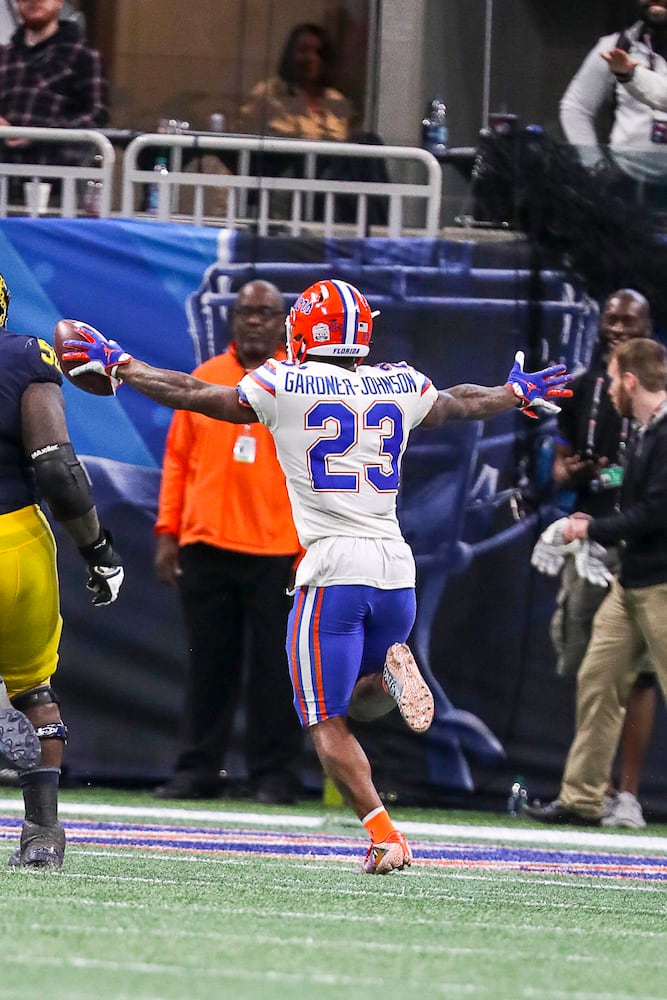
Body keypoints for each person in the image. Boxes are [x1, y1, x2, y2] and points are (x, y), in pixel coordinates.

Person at [62, 278, 572, 873]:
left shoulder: (283, 382)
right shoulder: (399, 381)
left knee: (324, 724)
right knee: (355, 700)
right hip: (396, 570)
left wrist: (122, 365)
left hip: (333, 567)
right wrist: (514, 392)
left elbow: (197, 393)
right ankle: (386, 679)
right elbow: (459, 402)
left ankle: (384, 834)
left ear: (304, 328)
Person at [153, 280, 304, 804]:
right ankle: (197, 771)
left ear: (285, 321)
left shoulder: (299, 385)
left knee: (275, 673)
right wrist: (167, 532)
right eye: (246, 312)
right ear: (233, 318)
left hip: (280, 551)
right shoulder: (206, 380)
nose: (254, 321)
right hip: (207, 543)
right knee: (207, 666)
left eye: (265, 313)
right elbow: (177, 461)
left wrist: (308, 552)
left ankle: (275, 776)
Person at [0, 270, 123, 869]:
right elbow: (57, 469)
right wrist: (98, 550)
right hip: (17, 541)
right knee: (35, 691)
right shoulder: (25, 357)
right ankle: (42, 834)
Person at [526, 337, 667, 826]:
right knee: (597, 676)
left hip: (662, 586)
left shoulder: (664, 432)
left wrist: (589, 529)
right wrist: (593, 531)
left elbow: (655, 512)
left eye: (610, 380)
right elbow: (636, 505)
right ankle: (583, 796)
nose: (605, 391)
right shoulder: (646, 430)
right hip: (632, 582)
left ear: (630, 380)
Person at [239, 22, 388, 227]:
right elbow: (243, 141)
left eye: (318, 53)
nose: (310, 58)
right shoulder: (267, 94)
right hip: (286, 180)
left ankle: (378, 229)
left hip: (329, 182)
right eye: (303, 51)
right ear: (290, 55)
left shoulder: (336, 100)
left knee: (369, 143)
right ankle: (373, 228)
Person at [559, 0, 667, 206]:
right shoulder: (616, 47)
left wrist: (630, 75)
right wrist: (596, 167)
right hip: (628, 183)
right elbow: (576, 107)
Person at [0, 0, 108, 182]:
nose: (34, 1)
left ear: (59, 2)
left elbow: (96, 115)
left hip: (59, 175)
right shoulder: (5, 57)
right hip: (6, 175)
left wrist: (41, 133)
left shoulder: (83, 55)